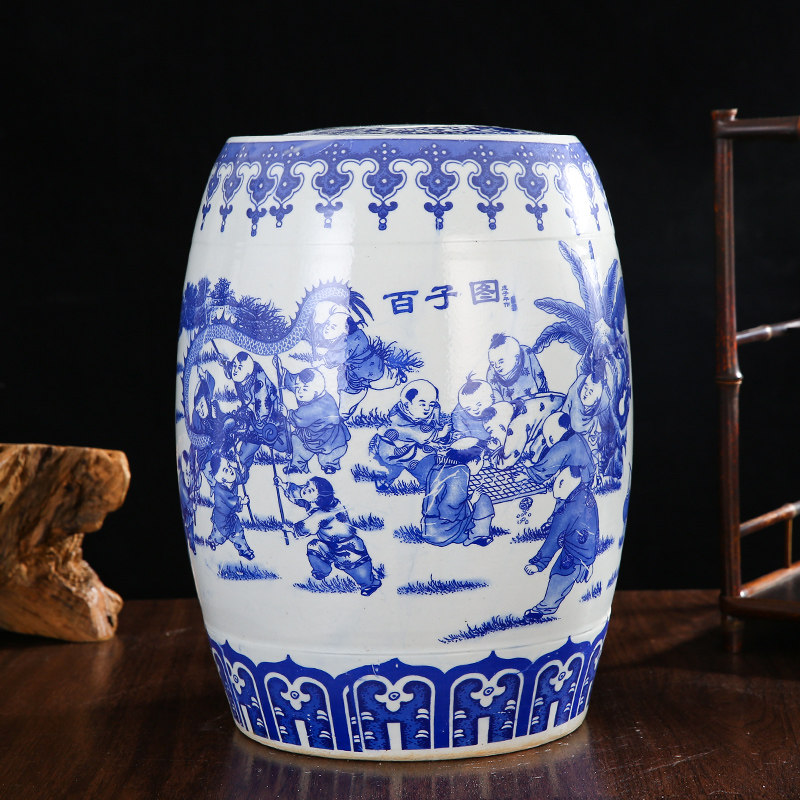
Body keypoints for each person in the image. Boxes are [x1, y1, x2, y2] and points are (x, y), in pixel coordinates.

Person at [278, 476, 382, 596]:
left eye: (310, 490)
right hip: (328, 545)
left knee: (360, 574)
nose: (305, 489)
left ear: (319, 498)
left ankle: (370, 584)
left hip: (349, 548)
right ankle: (322, 570)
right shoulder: (316, 503)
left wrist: (291, 529)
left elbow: (307, 526)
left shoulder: (327, 512)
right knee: (313, 546)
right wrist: (283, 485)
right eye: (307, 485)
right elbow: (299, 495)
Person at [523, 465, 599, 620]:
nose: (555, 488)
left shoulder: (567, 510)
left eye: (560, 482)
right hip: (588, 549)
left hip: (574, 553)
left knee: (558, 576)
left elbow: (553, 540)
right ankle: (586, 566)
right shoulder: (585, 494)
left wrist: (538, 564)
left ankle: (544, 608)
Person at [311, 302, 398, 418]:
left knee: (348, 397)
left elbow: (336, 357)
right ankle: (394, 377)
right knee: (384, 378)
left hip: (360, 375)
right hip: (374, 366)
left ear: (345, 330)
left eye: (333, 327)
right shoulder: (356, 335)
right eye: (327, 324)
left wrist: (321, 360)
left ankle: (344, 413)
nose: (327, 328)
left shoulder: (347, 343)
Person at [369, 379, 449, 490]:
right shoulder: (397, 418)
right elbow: (418, 433)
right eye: (422, 404)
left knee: (428, 463)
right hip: (393, 452)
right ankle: (384, 477)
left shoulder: (417, 413)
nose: (427, 408)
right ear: (407, 404)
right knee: (390, 466)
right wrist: (440, 433)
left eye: (431, 405)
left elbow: (435, 413)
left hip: (413, 449)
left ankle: (426, 481)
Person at [421, 438, 495, 546]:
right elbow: (450, 509)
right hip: (445, 531)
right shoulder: (460, 471)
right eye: (482, 459)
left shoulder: (438, 467)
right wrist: (471, 501)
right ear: (475, 461)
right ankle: (477, 536)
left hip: (428, 529)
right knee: (483, 499)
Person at [227, 351, 289, 473]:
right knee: (243, 454)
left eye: (239, 368)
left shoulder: (259, 383)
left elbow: (263, 405)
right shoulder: (241, 374)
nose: (235, 370)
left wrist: (259, 424)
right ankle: (242, 471)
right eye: (234, 366)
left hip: (269, 417)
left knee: (279, 443)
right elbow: (229, 369)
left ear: (248, 372)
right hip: (252, 415)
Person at [283, 367, 350, 474]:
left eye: (304, 389)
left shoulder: (321, 406)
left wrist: (287, 413)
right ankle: (297, 465)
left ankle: (330, 465)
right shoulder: (309, 393)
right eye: (297, 387)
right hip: (311, 435)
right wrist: (283, 374)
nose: (299, 392)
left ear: (316, 391)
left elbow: (299, 417)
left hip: (330, 439)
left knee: (327, 457)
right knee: (297, 442)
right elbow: (294, 381)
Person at [522, 412, 595, 486]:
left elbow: (545, 470)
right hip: (587, 478)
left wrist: (528, 470)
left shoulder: (563, 446)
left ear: (551, 439)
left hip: (578, 483)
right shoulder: (576, 437)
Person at [206, 453, 255, 560]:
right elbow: (230, 500)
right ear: (220, 478)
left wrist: (240, 465)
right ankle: (212, 540)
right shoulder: (219, 490)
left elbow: (241, 478)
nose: (230, 470)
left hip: (232, 516)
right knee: (220, 536)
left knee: (238, 533)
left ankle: (244, 550)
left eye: (229, 465)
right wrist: (241, 501)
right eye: (225, 470)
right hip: (221, 519)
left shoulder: (231, 479)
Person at [486, 333, 548, 401]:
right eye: (492, 364)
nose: (496, 366)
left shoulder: (527, 354)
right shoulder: (491, 375)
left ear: (516, 358)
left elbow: (540, 381)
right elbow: (497, 402)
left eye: (501, 362)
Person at [450, 375, 495, 443]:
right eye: (468, 408)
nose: (475, 409)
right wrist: (460, 435)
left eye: (479, 405)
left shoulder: (498, 407)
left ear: (492, 399)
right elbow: (460, 429)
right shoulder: (459, 413)